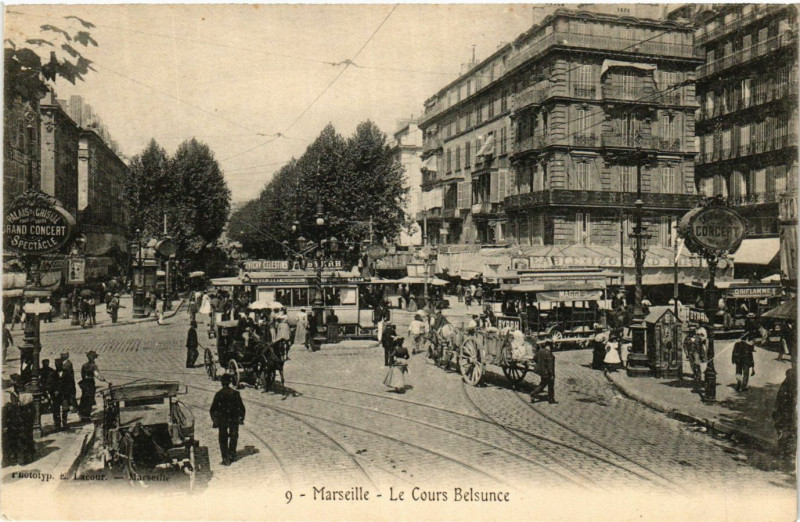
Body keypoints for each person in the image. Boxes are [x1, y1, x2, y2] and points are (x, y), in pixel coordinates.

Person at [209, 374, 245, 466]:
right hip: (234, 418)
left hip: (222, 419)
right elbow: (242, 408)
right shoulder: (236, 394)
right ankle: (232, 455)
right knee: (234, 436)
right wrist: (241, 418)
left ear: (222, 383)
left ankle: (225, 458)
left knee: (222, 438)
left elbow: (213, 409)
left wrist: (215, 420)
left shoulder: (218, 394)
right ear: (229, 382)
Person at [773, 367, 797, 458]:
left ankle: (784, 451)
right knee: (787, 432)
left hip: (785, 413)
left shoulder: (786, 385)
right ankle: (785, 451)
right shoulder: (789, 386)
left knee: (784, 432)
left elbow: (779, 399)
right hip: (787, 413)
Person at [78, 351, 105, 420]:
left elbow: (82, 375)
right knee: (89, 399)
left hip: (84, 383)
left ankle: (82, 414)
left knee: (84, 398)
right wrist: (103, 379)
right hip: (90, 383)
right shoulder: (94, 366)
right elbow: (97, 375)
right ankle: (87, 415)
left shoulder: (84, 365)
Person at [383, 327, 410, 393]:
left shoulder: (396, 349)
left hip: (397, 363)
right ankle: (399, 386)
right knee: (401, 374)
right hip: (403, 363)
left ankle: (398, 387)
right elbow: (408, 356)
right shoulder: (405, 349)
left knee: (397, 375)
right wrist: (403, 359)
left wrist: (391, 359)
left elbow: (392, 355)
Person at [46, 359, 64, 432]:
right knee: (56, 410)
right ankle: (57, 425)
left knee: (65, 409)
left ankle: (65, 423)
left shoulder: (66, 373)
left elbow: (70, 383)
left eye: (59, 364)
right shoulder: (52, 374)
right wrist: (53, 392)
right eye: (56, 365)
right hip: (55, 395)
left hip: (64, 394)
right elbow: (49, 385)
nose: (58, 366)